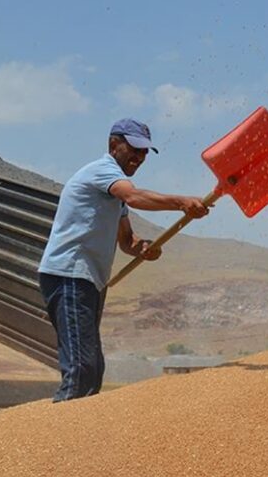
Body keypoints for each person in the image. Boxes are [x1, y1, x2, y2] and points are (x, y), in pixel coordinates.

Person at [38, 119, 210, 402]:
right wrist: (181, 202)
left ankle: (78, 432)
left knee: (93, 369)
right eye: (135, 149)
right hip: (69, 273)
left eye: (144, 153)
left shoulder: (112, 194)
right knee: (81, 369)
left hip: (89, 279)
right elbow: (133, 196)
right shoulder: (102, 171)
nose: (140, 158)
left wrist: (143, 247)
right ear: (113, 145)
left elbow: (126, 240)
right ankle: (58, 434)